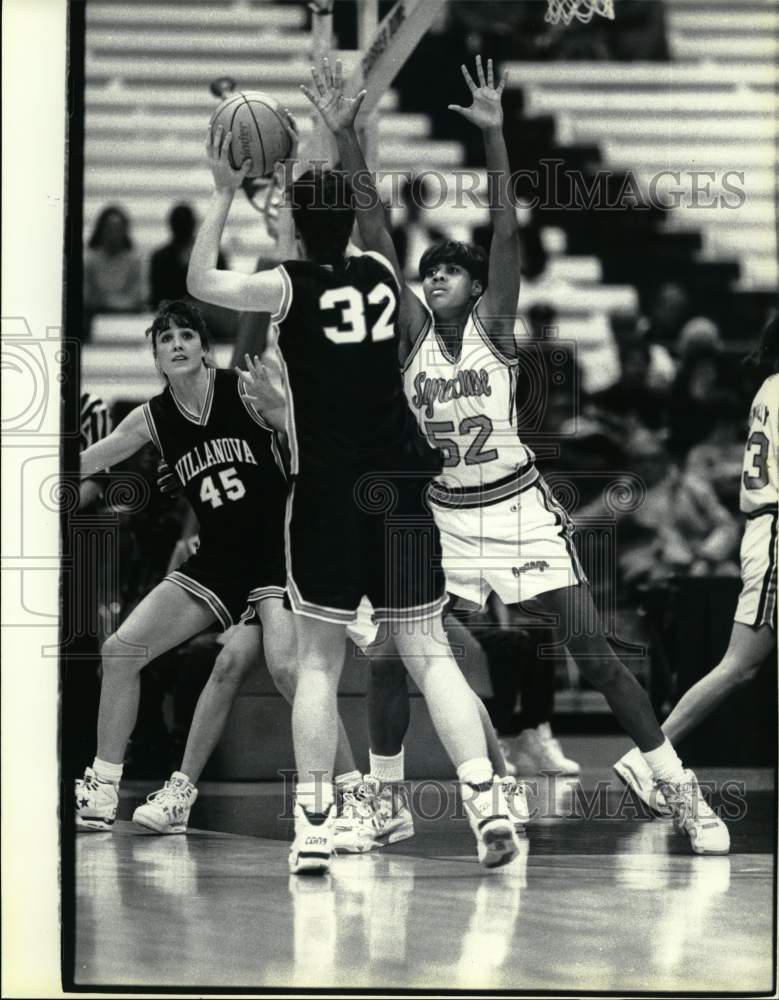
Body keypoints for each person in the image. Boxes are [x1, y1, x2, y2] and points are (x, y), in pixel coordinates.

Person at [318, 53, 728, 855]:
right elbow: (371, 230)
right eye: (428, 272)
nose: (433, 278)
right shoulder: (406, 335)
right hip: (440, 516)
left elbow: (504, 227)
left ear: (474, 289)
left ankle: (678, 788)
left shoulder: (492, 331)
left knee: (597, 656)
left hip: (514, 505)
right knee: (397, 663)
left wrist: (496, 133)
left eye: (446, 273)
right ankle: (386, 798)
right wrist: (342, 135)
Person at [187, 84, 523, 875]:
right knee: (428, 650)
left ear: (296, 224)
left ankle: (312, 822)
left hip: (328, 492)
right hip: (402, 488)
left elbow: (202, 280)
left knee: (317, 662)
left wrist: (225, 191)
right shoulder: (379, 272)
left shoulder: (285, 287)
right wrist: (340, 139)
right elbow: (364, 212)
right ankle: (485, 804)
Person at [74, 300, 363, 844]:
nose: (178, 344)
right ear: (156, 358)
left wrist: (284, 412)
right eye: (166, 339)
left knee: (285, 670)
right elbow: (89, 460)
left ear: (205, 347)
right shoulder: (151, 418)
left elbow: (314, 441)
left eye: (187, 335)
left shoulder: (245, 390)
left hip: (280, 549)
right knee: (121, 651)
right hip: (220, 560)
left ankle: (355, 793)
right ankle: (102, 790)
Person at [614, 315, 778, 814]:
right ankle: (649, 759)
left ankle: (649, 758)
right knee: (739, 665)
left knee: (741, 666)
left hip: (764, 528)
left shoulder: (769, 387)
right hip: (775, 531)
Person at [149, 203, 229, 309]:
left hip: (205, 314)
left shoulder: (159, 257)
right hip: (176, 313)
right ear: (194, 225)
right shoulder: (213, 255)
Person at [84, 205, 145, 318]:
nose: (114, 235)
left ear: (125, 231)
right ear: (101, 230)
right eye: (110, 229)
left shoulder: (134, 262)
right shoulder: (89, 261)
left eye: (118, 229)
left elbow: (137, 299)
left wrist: (105, 301)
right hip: (94, 319)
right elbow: (86, 298)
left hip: (126, 319)